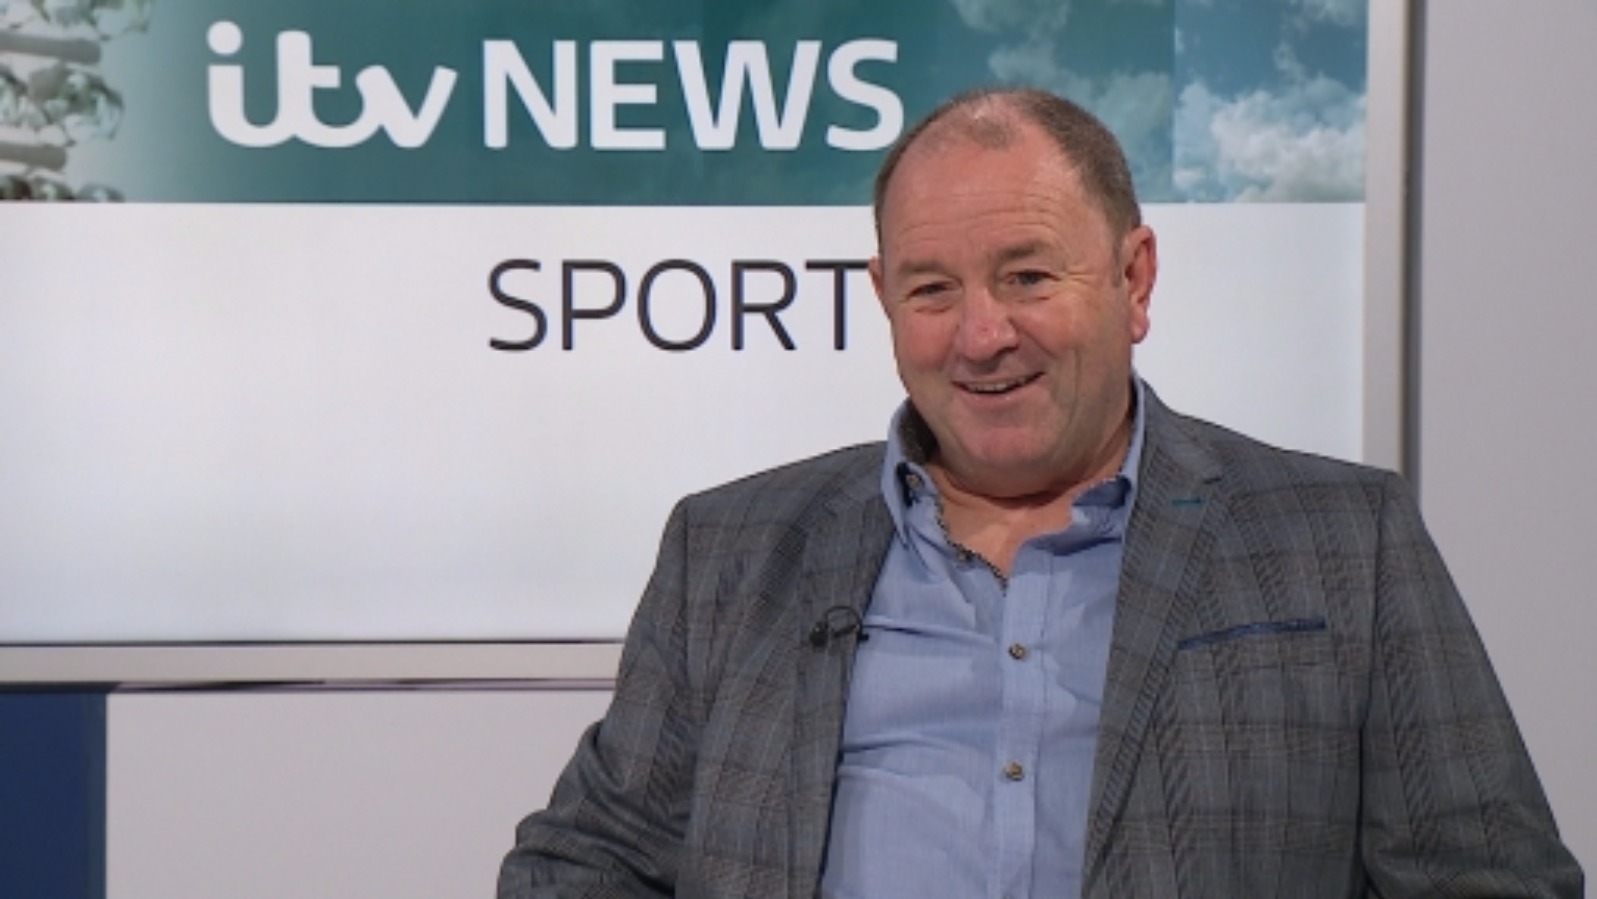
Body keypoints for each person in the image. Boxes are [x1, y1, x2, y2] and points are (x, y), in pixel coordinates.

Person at [498, 88, 1582, 898]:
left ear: (1132, 278)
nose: (981, 335)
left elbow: (1492, 878)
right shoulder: (732, 550)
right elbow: (587, 864)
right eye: (933, 289)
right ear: (883, 299)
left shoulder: (1341, 541)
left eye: (1026, 275)